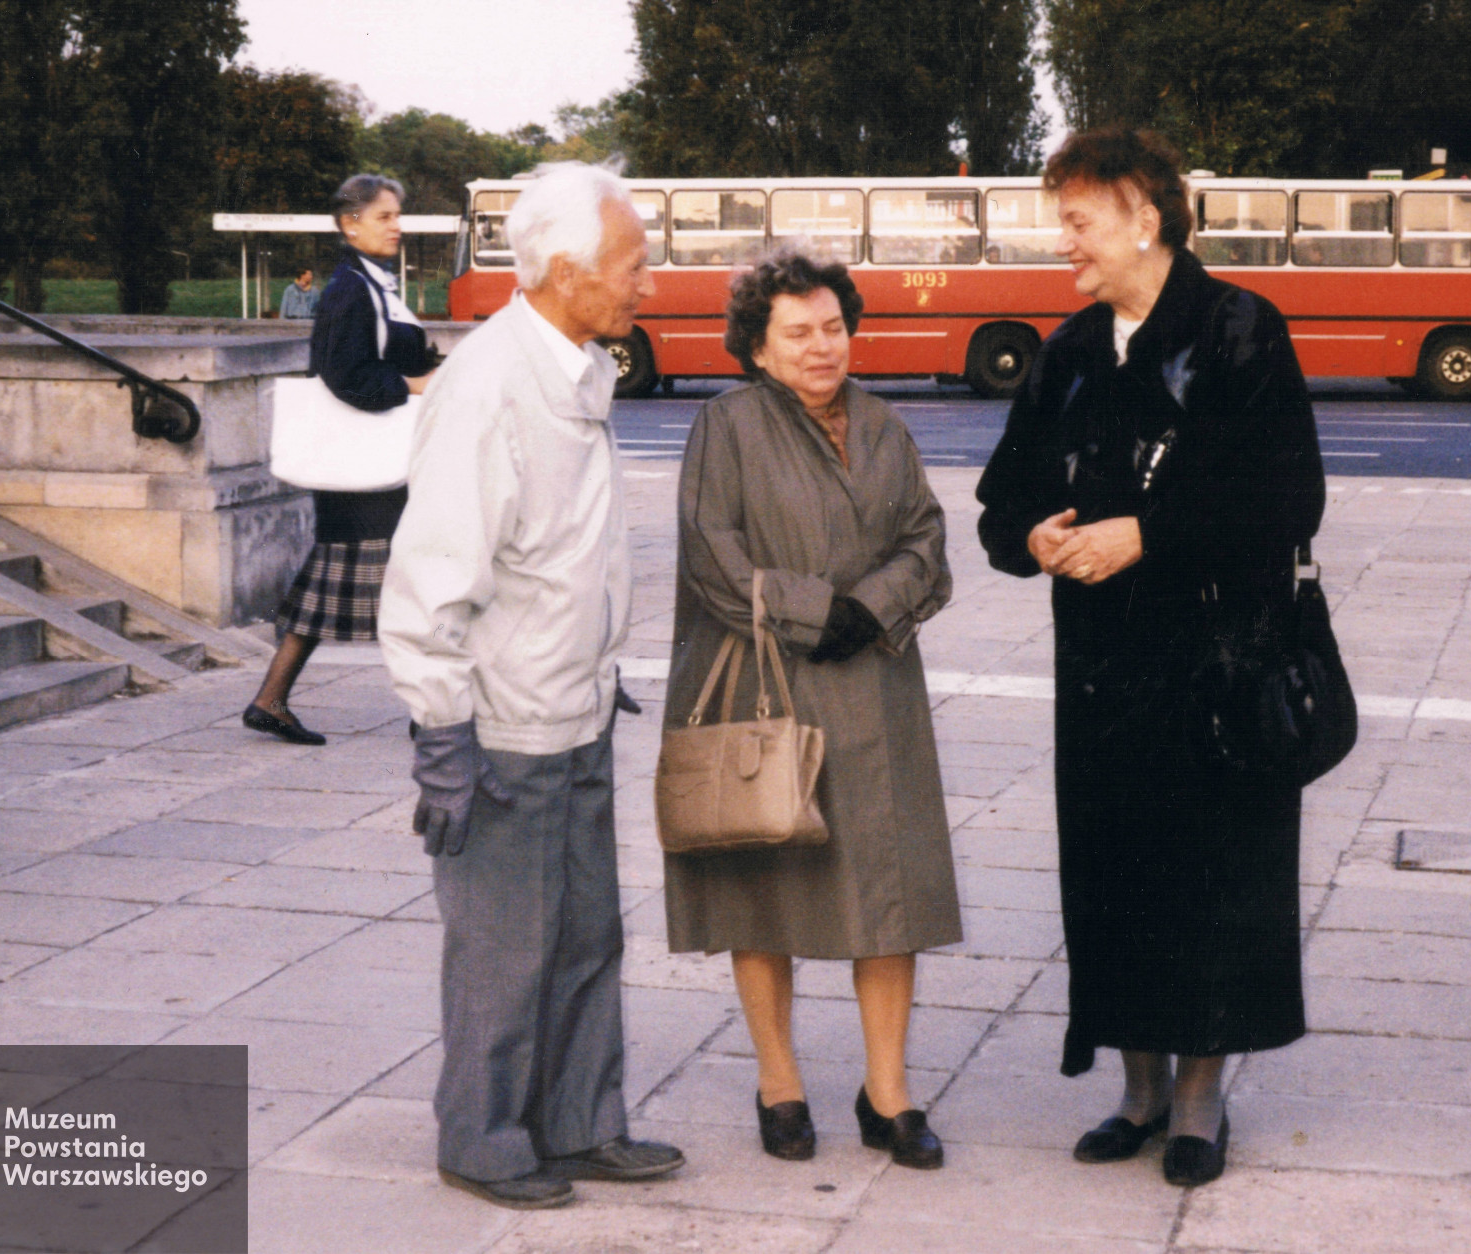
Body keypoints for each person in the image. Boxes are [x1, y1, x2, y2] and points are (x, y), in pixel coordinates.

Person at [976, 128, 1326, 1189]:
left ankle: (1198, 1100)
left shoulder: (1237, 333)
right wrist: (1033, 536)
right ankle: (1135, 1087)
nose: (1063, 244)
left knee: (1218, 877)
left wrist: (1145, 534)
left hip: (1218, 670)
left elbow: (1289, 498)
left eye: (1078, 221)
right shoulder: (1071, 351)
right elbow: (1002, 503)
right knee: (1116, 875)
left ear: (1144, 213)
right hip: (1104, 682)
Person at [378, 161, 681, 1210]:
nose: (650, 277)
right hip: (503, 727)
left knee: (588, 935)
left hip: (577, 708)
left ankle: (581, 1121)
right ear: (564, 271)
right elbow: (432, 577)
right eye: (634, 260)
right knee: (506, 949)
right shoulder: (492, 385)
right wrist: (441, 736)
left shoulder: (574, 365)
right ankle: (484, 1133)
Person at [664, 251, 960, 1169]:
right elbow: (712, 556)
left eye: (833, 326)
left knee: (892, 892)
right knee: (764, 889)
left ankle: (889, 1093)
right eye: (798, 332)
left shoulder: (882, 422)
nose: (822, 346)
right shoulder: (726, 424)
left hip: (874, 681)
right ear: (757, 347)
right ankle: (780, 1082)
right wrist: (812, 611)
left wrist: (870, 608)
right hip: (763, 680)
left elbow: (927, 536)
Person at [243, 175, 438, 746]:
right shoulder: (351, 289)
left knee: (338, 589)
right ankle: (429, 712)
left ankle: (270, 699)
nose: (396, 225)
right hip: (366, 466)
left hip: (368, 464)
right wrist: (415, 384)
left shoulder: (369, 283)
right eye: (384, 216)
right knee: (410, 586)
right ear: (349, 224)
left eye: (397, 214)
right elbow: (346, 376)